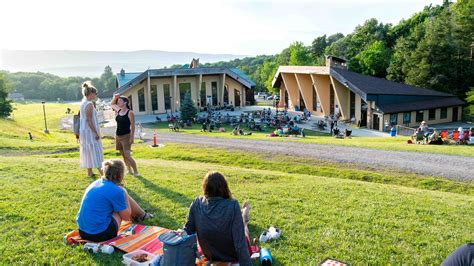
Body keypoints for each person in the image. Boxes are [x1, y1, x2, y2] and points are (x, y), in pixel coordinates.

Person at [182, 171, 251, 265]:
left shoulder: (197, 203)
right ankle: (244, 219)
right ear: (224, 187)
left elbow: (187, 230)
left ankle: (243, 217)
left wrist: (178, 235)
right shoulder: (233, 205)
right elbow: (240, 242)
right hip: (230, 255)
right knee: (244, 231)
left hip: (209, 254)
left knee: (239, 227)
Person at [76, 159, 153, 242]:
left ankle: (142, 214)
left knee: (119, 198)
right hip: (99, 234)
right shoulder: (116, 190)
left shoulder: (97, 182)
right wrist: (125, 192)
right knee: (121, 202)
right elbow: (126, 217)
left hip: (82, 232)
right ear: (120, 174)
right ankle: (142, 215)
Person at [79, 81, 103, 177]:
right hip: (89, 131)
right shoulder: (89, 104)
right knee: (95, 150)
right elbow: (89, 120)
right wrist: (96, 132)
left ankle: (89, 172)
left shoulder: (83, 103)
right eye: (95, 93)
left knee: (88, 150)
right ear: (91, 93)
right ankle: (103, 173)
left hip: (84, 131)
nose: (96, 95)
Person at [111, 94, 139, 176]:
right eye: (118, 101)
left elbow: (133, 125)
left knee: (127, 155)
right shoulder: (119, 110)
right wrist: (115, 97)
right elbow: (112, 104)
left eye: (120, 101)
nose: (118, 102)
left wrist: (132, 137)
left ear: (125, 102)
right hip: (118, 136)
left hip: (126, 136)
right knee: (123, 155)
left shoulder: (130, 113)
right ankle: (129, 170)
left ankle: (136, 171)